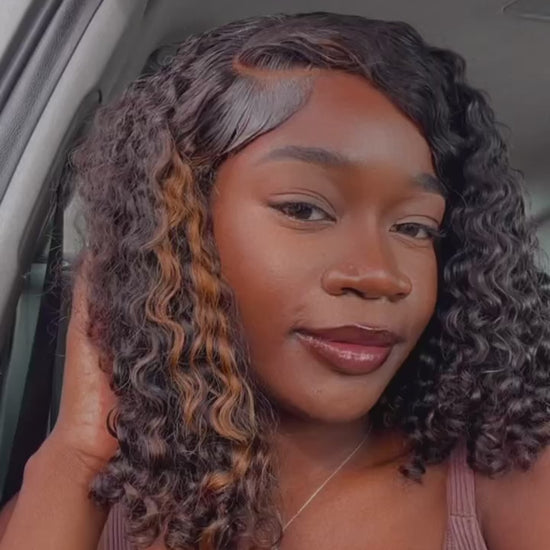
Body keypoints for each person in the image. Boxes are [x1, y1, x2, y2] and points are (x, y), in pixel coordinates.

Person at [1, 10, 550, 550]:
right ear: (180, 232)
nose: (380, 275)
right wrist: (79, 453)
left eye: (415, 227)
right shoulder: (81, 505)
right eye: (304, 210)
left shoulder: (505, 479)